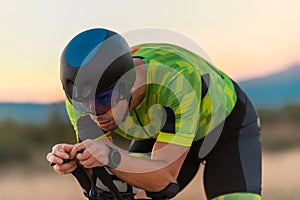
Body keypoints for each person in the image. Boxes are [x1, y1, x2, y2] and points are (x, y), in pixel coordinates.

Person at [46, 28, 262, 200]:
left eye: (102, 103)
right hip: (159, 131)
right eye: (83, 105)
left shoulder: (176, 80)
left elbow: (164, 179)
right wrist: (77, 164)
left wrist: (110, 155)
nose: (94, 115)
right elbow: (105, 185)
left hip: (226, 128)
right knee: (131, 193)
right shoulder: (81, 96)